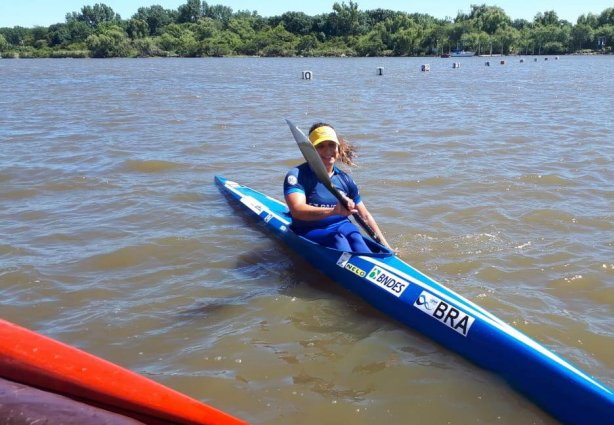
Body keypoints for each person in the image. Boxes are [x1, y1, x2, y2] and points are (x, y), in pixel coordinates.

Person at [284, 122, 391, 253]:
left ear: (338, 148)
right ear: (311, 151)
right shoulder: (297, 175)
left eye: (331, 145)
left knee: (356, 239)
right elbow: (297, 210)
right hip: (309, 229)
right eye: (320, 146)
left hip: (342, 226)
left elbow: (365, 215)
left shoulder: (345, 180)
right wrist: (333, 211)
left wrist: (386, 246)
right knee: (338, 240)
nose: (328, 151)